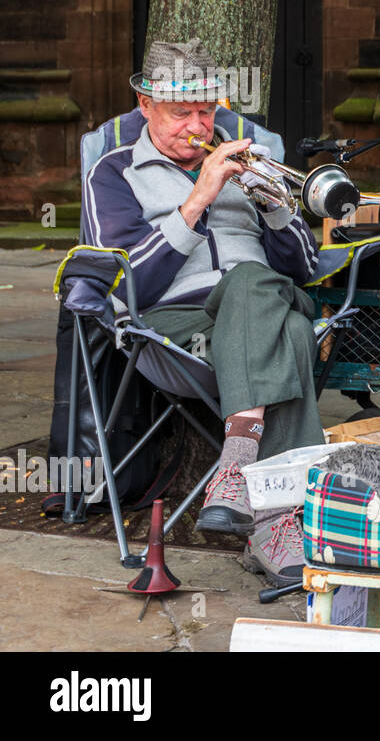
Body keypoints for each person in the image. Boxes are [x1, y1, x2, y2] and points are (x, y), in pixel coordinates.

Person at [85, 38, 322, 586]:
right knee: (291, 336)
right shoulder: (114, 174)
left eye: (206, 109)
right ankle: (277, 531)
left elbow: (305, 268)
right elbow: (124, 282)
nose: (197, 124)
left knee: (254, 281)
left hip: (260, 301)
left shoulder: (251, 162)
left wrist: (274, 205)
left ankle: (237, 464)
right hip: (174, 332)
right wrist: (197, 202)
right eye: (180, 112)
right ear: (145, 106)